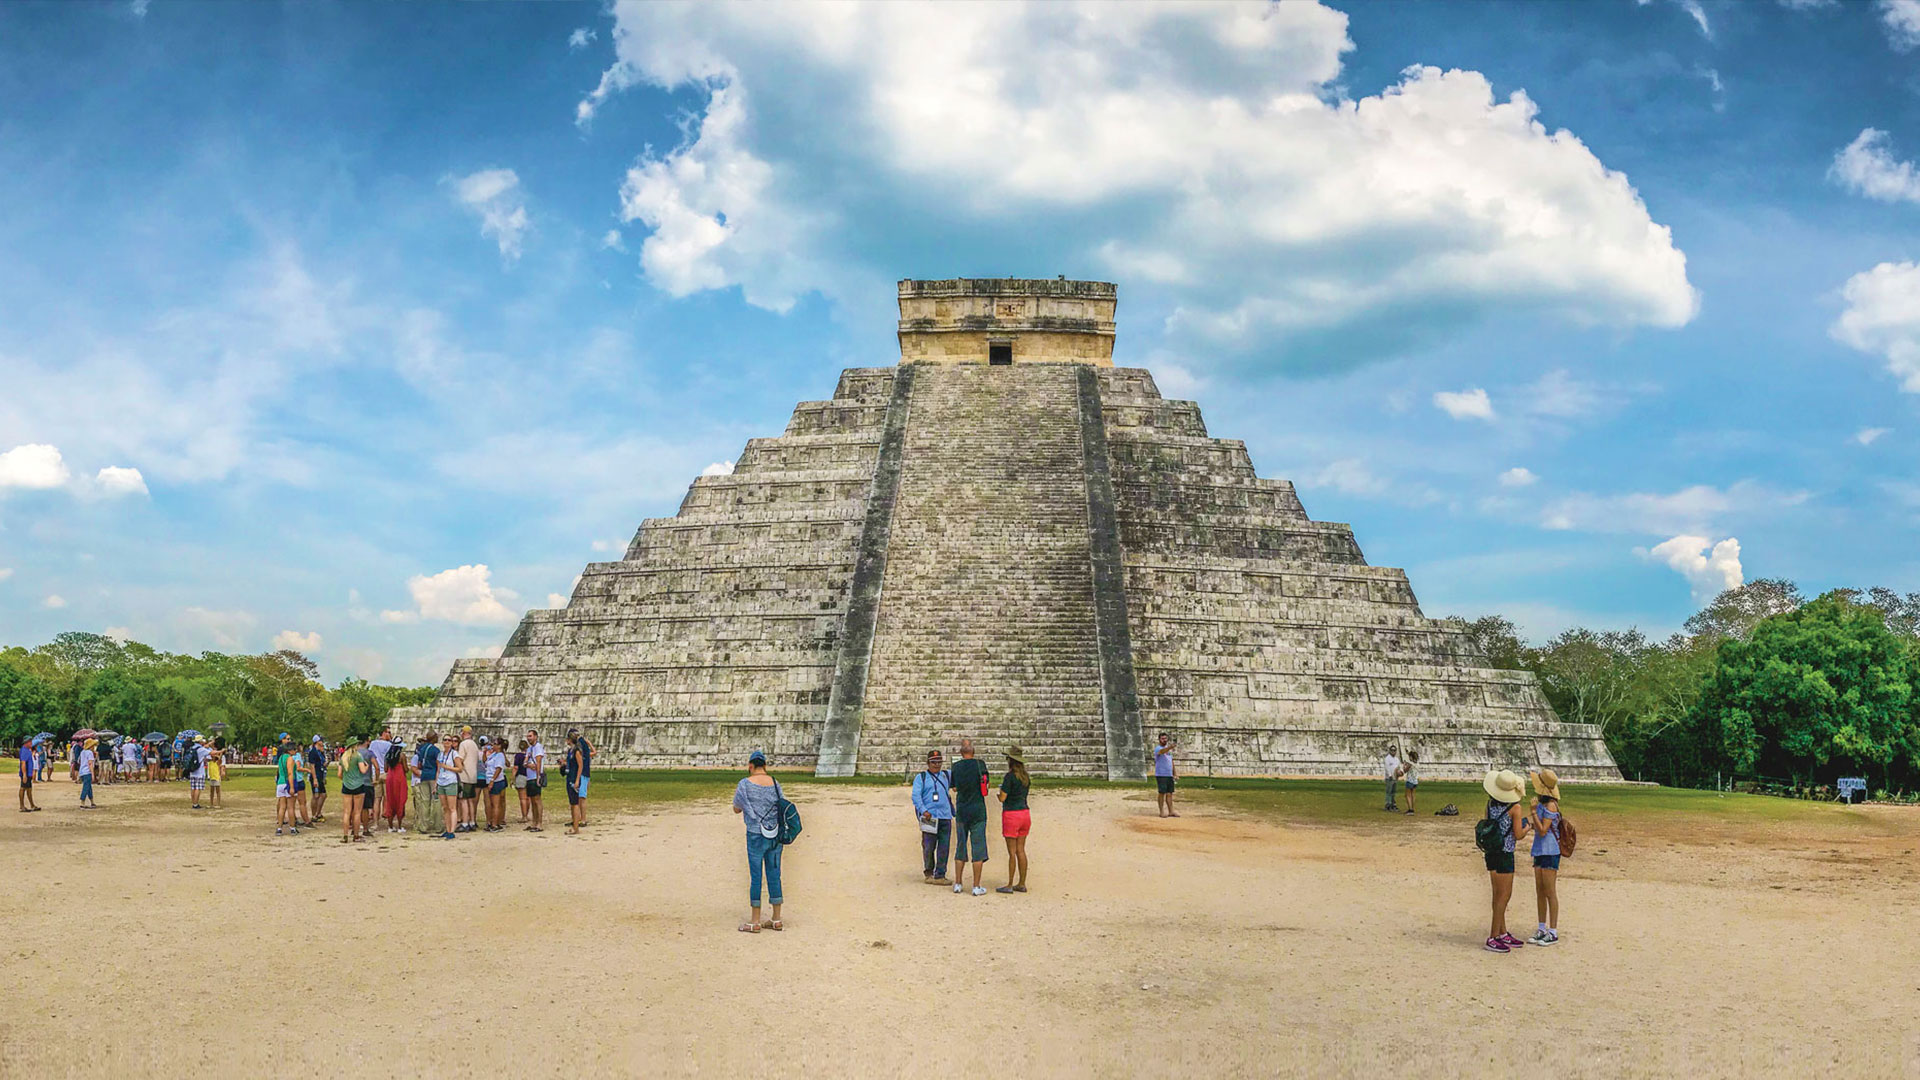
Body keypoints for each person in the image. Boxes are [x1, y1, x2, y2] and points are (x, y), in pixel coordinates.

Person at [731, 749, 784, 933]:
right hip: (775, 834)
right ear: (765, 766)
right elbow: (781, 805)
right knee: (774, 873)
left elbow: (737, 808)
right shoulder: (775, 784)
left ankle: (755, 921)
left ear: (751, 766)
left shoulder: (745, 784)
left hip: (755, 833)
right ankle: (776, 918)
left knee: (756, 876)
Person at [1482, 769, 1532, 954]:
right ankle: (1493, 936)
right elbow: (1518, 834)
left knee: (1497, 895)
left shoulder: (1490, 804)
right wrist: (1528, 827)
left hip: (1492, 851)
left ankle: (1501, 932)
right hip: (1505, 853)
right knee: (1504, 896)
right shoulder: (1515, 808)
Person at [948, 737, 989, 896]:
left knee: (961, 845)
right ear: (973, 751)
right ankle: (976, 885)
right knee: (978, 847)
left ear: (960, 752)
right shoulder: (980, 765)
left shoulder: (956, 767)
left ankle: (958, 882)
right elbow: (986, 785)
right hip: (978, 809)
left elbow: (955, 788)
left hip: (963, 809)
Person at [1529, 769, 1564, 947]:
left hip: (1550, 851)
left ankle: (1553, 930)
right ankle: (1542, 927)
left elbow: (1543, 830)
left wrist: (1534, 812)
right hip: (1539, 850)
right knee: (1540, 891)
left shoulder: (1550, 806)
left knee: (1550, 892)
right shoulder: (1543, 805)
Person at [911, 749, 953, 885]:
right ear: (928, 763)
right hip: (930, 817)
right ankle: (929, 872)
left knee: (944, 846)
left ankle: (940, 874)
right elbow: (916, 796)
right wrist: (924, 810)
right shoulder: (921, 778)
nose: (936, 764)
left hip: (944, 815)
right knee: (929, 846)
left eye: (939, 762)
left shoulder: (947, 775)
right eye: (934, 762)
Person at [995, 746, 1031, 894]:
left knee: (1012, 852)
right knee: (1021, 850)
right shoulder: (1026, 777)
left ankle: (1010, 883)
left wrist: (998, 794)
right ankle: (1022, 882)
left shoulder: (1009, 777)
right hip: (1024, 813)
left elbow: (1003, 797)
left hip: (1012, 814)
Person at [339, 734, 373, 843]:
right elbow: (363, 771)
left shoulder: (343, 757)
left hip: (346, 786)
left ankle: (345, 835)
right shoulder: (358, 756)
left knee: (346, 812)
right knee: (357, 812)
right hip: (358, 785)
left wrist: (345, 778)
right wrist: (367, 766)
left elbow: (339, 774)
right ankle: (356, 835)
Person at [562, 729, 593, 835]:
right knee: (572, 803)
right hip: (570, 777)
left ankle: (576, 827)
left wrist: (577, 780)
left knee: (575, 803)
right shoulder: (571, 750)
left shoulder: (577, 751)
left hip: (574, 778)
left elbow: (581, 766)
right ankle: (575, 824)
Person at [413, 733, 441, 834]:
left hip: (424, 775)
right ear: (433, 739)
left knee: (425, 801)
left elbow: (419, 764)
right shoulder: (435, 750)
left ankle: (423, 826)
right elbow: (439, 765)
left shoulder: (422, 749)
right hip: (433, 776)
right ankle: (438, 826)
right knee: (436, 801)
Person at [436, 734, 461, 839]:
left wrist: (448, 767)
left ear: (452, 743)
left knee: (452, 808)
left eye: (449, 740)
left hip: (451, 781)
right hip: (441, 781)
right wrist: (436, 783)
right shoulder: (440, 755)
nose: (447, 742)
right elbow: (438, 769)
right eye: (445, 740)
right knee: (445, 807)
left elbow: (460, 768)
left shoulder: (454, 754)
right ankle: (447, 829)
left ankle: (452, 830)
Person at [367, 727, 394, 826]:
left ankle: (375, 823)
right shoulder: (389, 745)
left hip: (375, 773)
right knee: (387, 798)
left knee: (376, 800)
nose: (390, 734)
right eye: (388, 732)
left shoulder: (373, 743)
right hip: (386, 773)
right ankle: (387, 819)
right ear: (384, 733)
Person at [456, 726, 481, 833]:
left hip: (464, 775)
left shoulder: (463, 744)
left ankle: (465, 822)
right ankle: (472, 821)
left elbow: (460, 759)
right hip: (473, 775)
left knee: (463, 800)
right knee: (471, 800)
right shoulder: (474, 744)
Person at [382, 738, 410, 833]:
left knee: (390, 800)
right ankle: (399, 826)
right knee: (400, 800)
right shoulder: (402, 755)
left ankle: (390, 826)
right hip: (399, 778)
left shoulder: (387, 755)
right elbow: (406, 769)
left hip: (390, 777)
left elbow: (385, 769)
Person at [522, 730, 546, 833]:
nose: (529, 738)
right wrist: (528, 765)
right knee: (532, 801)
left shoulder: (538, 747)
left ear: (535, 737)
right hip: (529, 777)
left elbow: (538, 762)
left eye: (530, 736)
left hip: (535, 776)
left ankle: (539, 823)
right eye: (528, 736)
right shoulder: (529, 749)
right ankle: (534, 822)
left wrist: (538, 777)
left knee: (537, 800)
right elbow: (525, 762)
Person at [274, 739, 299, 834]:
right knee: (291, 807)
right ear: (289, 750)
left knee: (282, 807)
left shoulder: (280, 758)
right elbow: (290, 773)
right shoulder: (290, 759)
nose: (295, 751)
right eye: (294, 749)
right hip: (287, 783)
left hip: (280, 783)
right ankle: (292, 827)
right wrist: (292, 787)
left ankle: (279, 828)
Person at [1152, 732, 1178, 817]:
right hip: (1161, 774)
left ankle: (1171, 811)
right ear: (1159, 739)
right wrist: (1170, 747)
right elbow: (1161, 752)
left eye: (1165, 738)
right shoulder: (1158, 749)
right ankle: (1161, 811)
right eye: (1162, 738)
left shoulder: (1169, 751)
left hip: (1169, 774)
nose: (1164, 740)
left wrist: (1175, 773)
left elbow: (1171, 762)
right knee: (1162, 793)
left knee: (1169, 793)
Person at [484, 737, 507, 832]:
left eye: (495, 744)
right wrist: (485, 752)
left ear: (499, 746)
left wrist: (492, 780)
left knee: (496, 804)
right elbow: (485, 761)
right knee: (492, 803)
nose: (493, 745)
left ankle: (495, 824)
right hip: (489, 779)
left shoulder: (500, 755)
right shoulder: (494, 754)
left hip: (496, 781)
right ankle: (493, 822)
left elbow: (498, 768)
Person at [187, 736, 210, 809]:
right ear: (200, 741)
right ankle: (196, 804)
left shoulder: (192, 748)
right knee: (198, 788)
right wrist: (221, 751)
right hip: (199, 771)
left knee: (193, 788)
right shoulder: (201, 749)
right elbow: (212, 752)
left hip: (192, 771)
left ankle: (194, 803)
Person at [18, 739, 40, 812]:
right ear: (26, 743)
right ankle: (22, 806)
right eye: (30, 742)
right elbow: (23, 763)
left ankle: (32, 805)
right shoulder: (24, 751)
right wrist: (24, 774)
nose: (31, 743)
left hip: (29, 773)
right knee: (23, 788)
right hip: (26, 773)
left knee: (29, 789)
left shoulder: (28, 750)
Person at [513, 739, 530, 823]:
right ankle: (527, 814)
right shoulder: (529, 755)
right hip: (529, 776)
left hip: (521, 776)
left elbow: (516, 767)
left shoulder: (518, 756)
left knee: (522, 798)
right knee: (528, 798)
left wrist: (512, 777)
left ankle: (524, 816)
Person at [77, 738, 98, 808]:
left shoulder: (83, 752)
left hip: (82, 772)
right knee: (86, 787)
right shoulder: (90, 753)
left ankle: (92, 801)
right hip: (87, 772)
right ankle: (82, 801)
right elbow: (90, 764)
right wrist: (93, 774)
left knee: (88, 787)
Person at [207, 739, 225, 809]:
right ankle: (211, 804)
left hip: (217, 777)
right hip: (211, 777)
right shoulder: (210, 761)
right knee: (211, 792)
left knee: (217, 791)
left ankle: (218, 803)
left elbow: (219, 758)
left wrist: (220, 753)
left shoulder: (217, 762)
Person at [1383, 745, 1402, 812]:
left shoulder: (1397, 759)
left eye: (1394, 750)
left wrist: (1399, 774)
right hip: (1389, 778)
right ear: (1390, 751)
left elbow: (1398, 768)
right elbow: (1387, 768)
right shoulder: (1387, 759)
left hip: (1395, 778)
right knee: (1389, 791)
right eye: (1392, 750)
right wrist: (1390, 775)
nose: (1393, 752)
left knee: (1393, 792)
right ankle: (1388, 805)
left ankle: (1393, 804)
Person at [1401, 750, 1420, 815]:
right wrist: (1408, 752)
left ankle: (1410, 809)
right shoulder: (1417, 763)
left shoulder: (1410, 764)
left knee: (1407, 795)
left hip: (1410, 781)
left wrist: (1404, 765)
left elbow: (1405, 770)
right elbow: (1412, 755)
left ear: (1411, 757)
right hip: (1415, 781)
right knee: (1413, 795)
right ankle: (1412, 808)